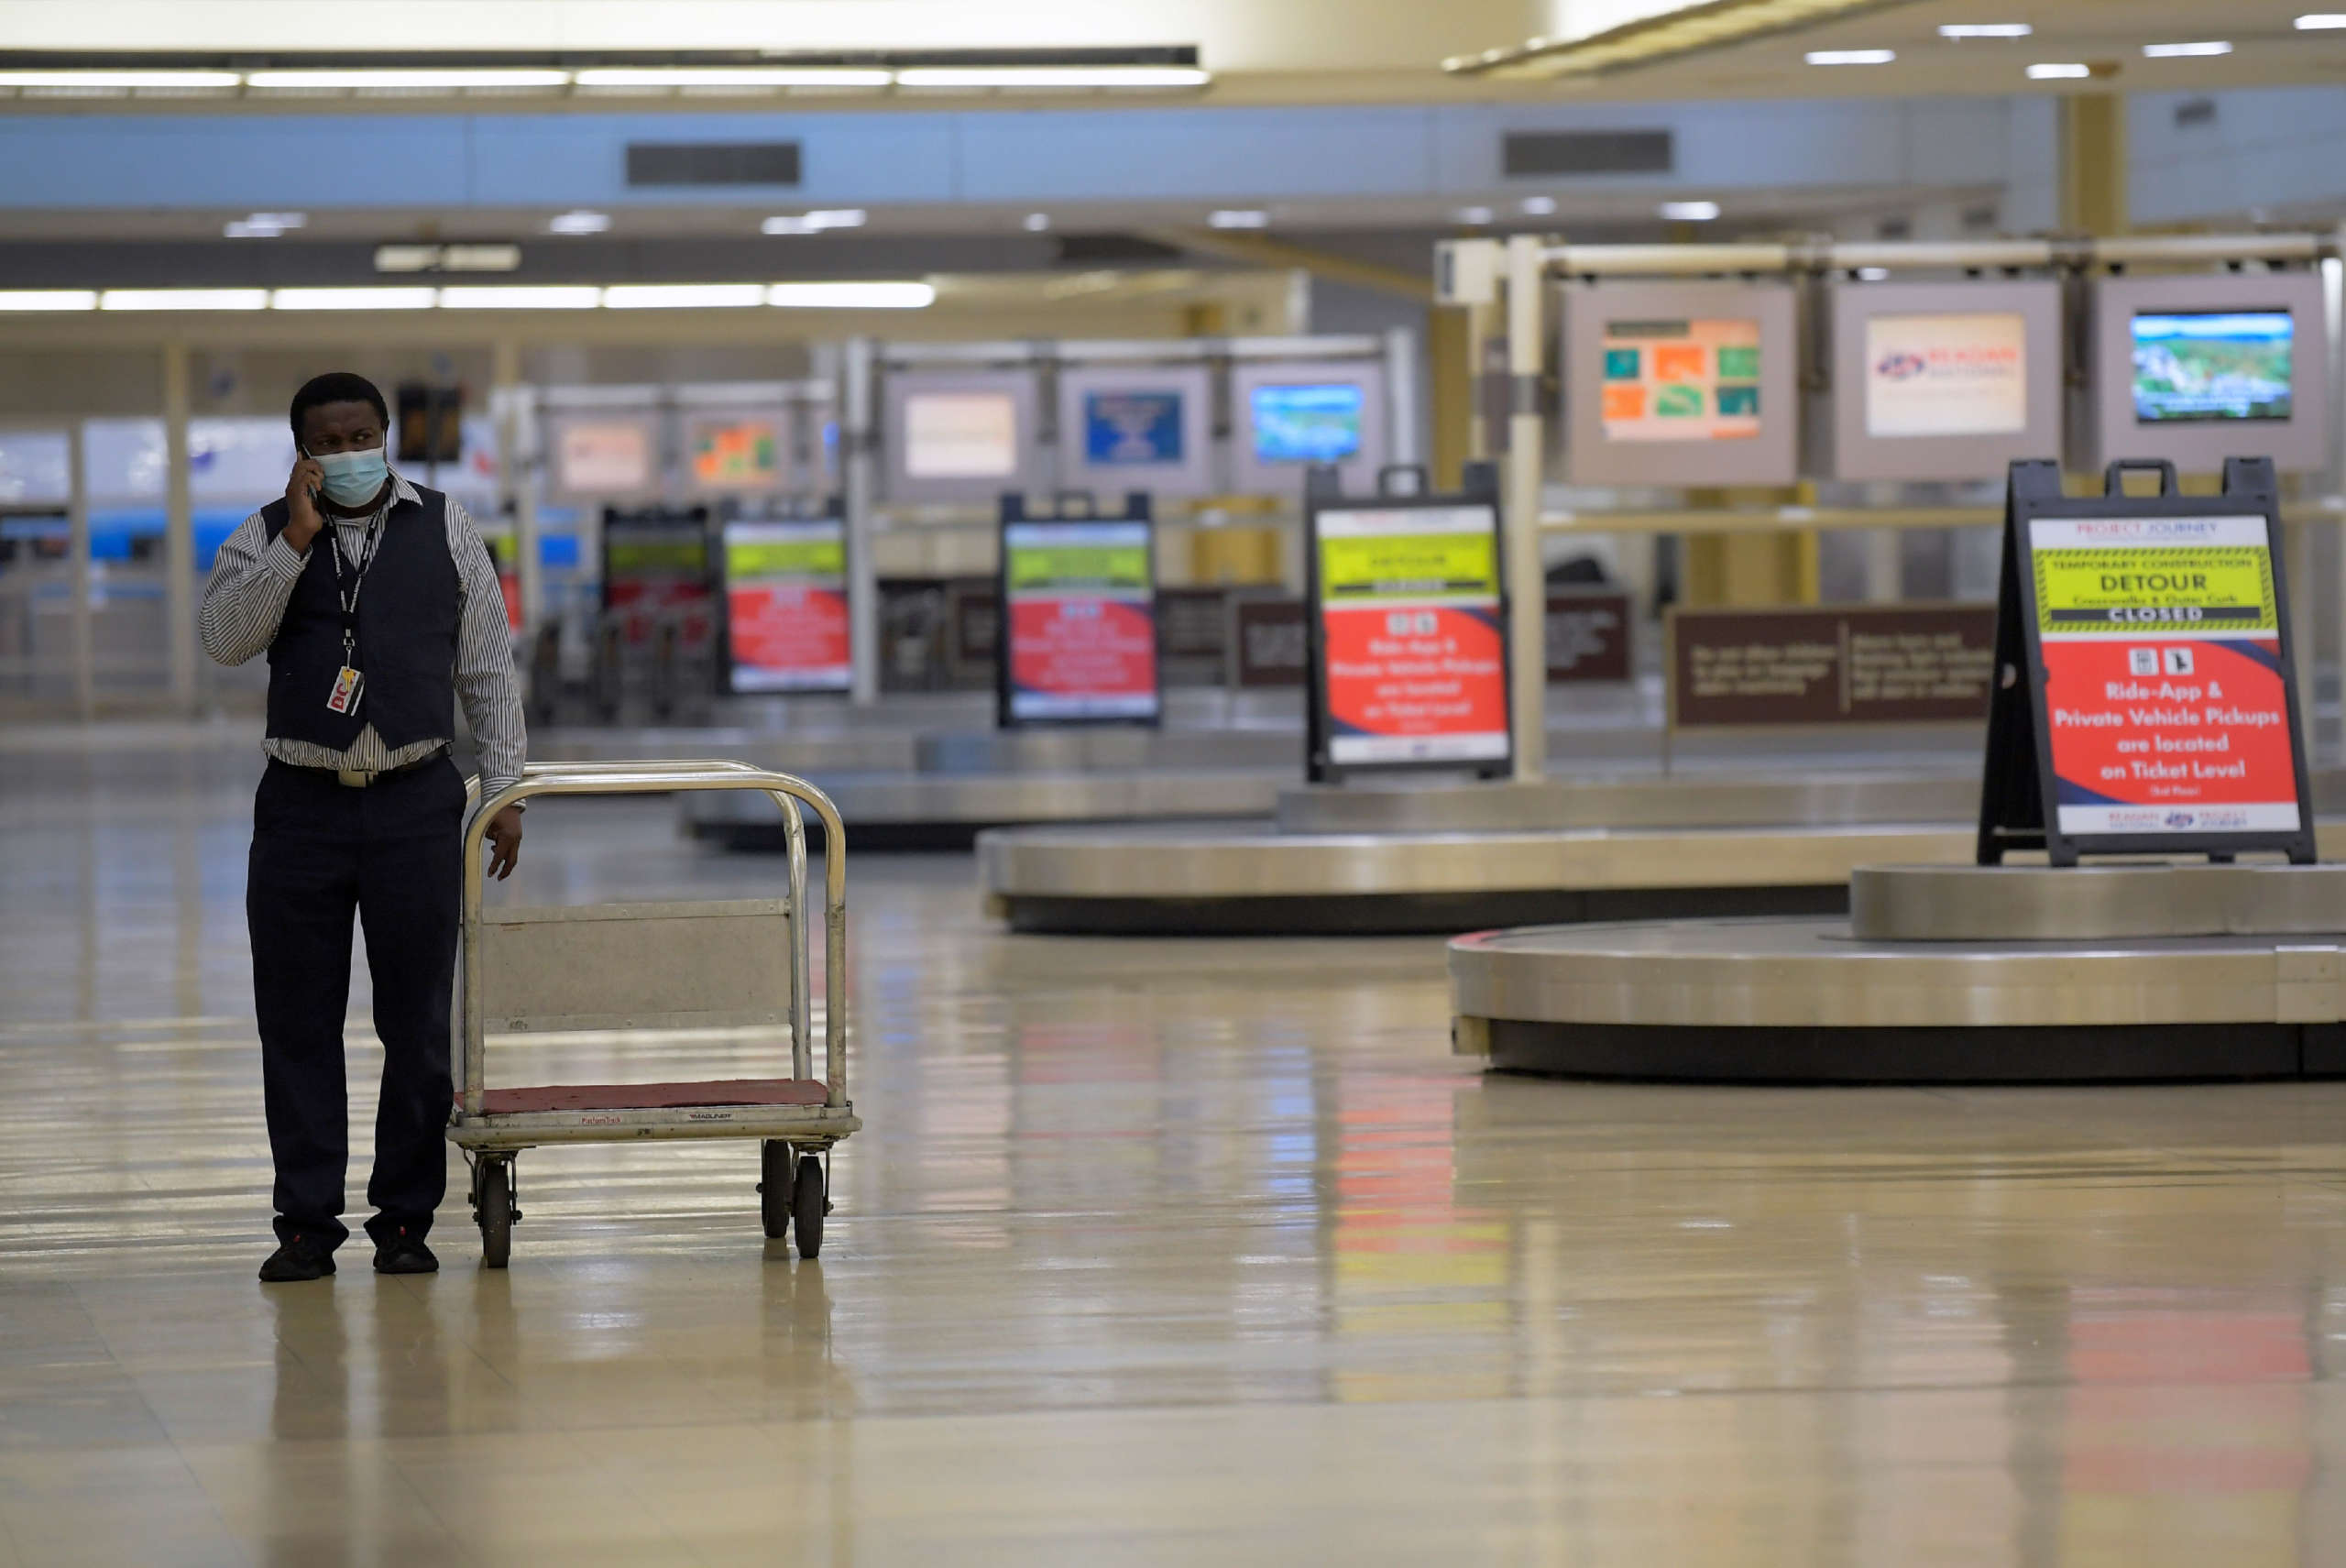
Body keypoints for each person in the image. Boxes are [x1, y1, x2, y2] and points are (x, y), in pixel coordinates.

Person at [201, 371, 527, 1282]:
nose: (350, 454)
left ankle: (405, 1220)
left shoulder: (450, 527)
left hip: (416, 797)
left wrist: (505, 791)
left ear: (388, 434)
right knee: (296, 1021)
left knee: (418, 1022)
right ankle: (305, 1221)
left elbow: (489, 671)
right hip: (302, 803)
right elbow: (225, 640)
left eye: (362, 435)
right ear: (303, 453)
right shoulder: (263, 533)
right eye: (330, 442)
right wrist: (296, 543)